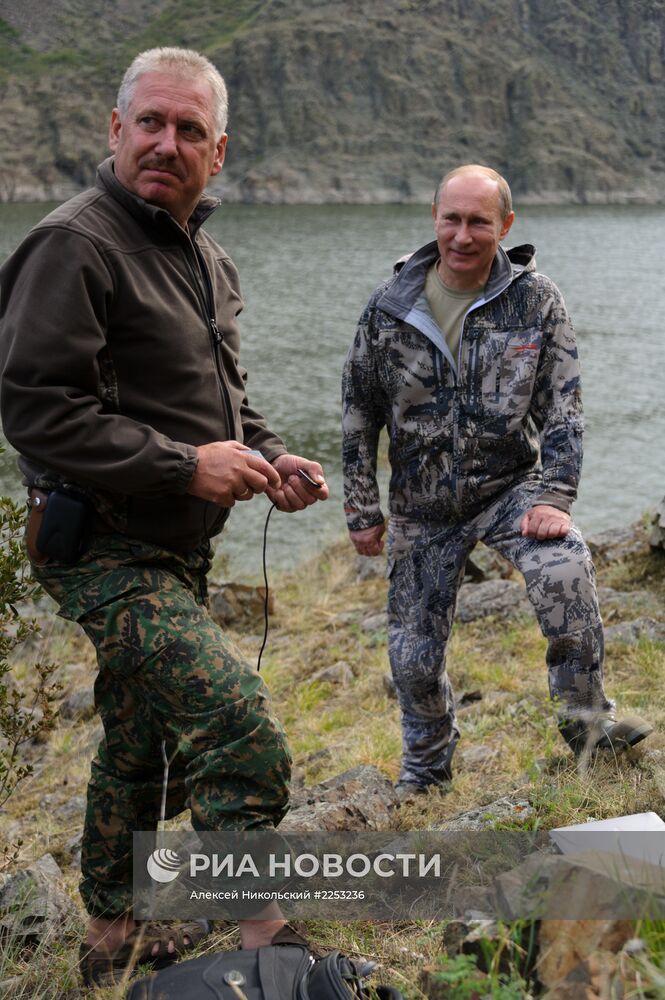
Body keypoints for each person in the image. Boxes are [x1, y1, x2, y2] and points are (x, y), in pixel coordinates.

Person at [0, 47, 329, 984]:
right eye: (149, 121)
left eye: (189, 130)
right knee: (235, 722)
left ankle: (110, 936)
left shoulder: (208, 258)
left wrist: (267, 457)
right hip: (98, 543)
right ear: (115, 129)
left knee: (140, 737)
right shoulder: (75, 244)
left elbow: (222, 400)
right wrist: (189, 467)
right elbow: (36, 412)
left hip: (176, 547)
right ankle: (263, 928)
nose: (165, 142)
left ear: (216, 152)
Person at [342, 164, 652, 797]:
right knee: (413, 657)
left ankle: (588, 725)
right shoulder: (389, 305)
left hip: (509, 488)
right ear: (434, 219)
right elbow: (358, 412)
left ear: (505, 225)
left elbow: (564, 405)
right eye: (451, 219)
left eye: (478, 221)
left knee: (563, 568)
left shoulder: (537, 300)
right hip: (421, 506)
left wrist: (555, 496)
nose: (462, 234)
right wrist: (361, 508)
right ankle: (428, 768)